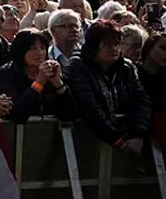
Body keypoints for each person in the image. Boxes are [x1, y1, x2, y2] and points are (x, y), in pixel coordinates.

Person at [64, 20, 151, 152]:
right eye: (107, 45)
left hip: (127, 139)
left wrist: (138, 133)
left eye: (117, 44)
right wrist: (116, 139)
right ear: (94, 47)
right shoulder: (77, 66)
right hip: (87, 144)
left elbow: (141, 99)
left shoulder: (126, 68)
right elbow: (89, 105)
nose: (114, 49)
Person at [0, 28, 77, 122]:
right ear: (21, 50)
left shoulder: (51, 71)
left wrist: (58, 84)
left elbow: (71, 114)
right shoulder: (6, 74)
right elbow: (16, 113)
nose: (40, 53)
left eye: (43, 48)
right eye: (33, 49)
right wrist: (39, 83)